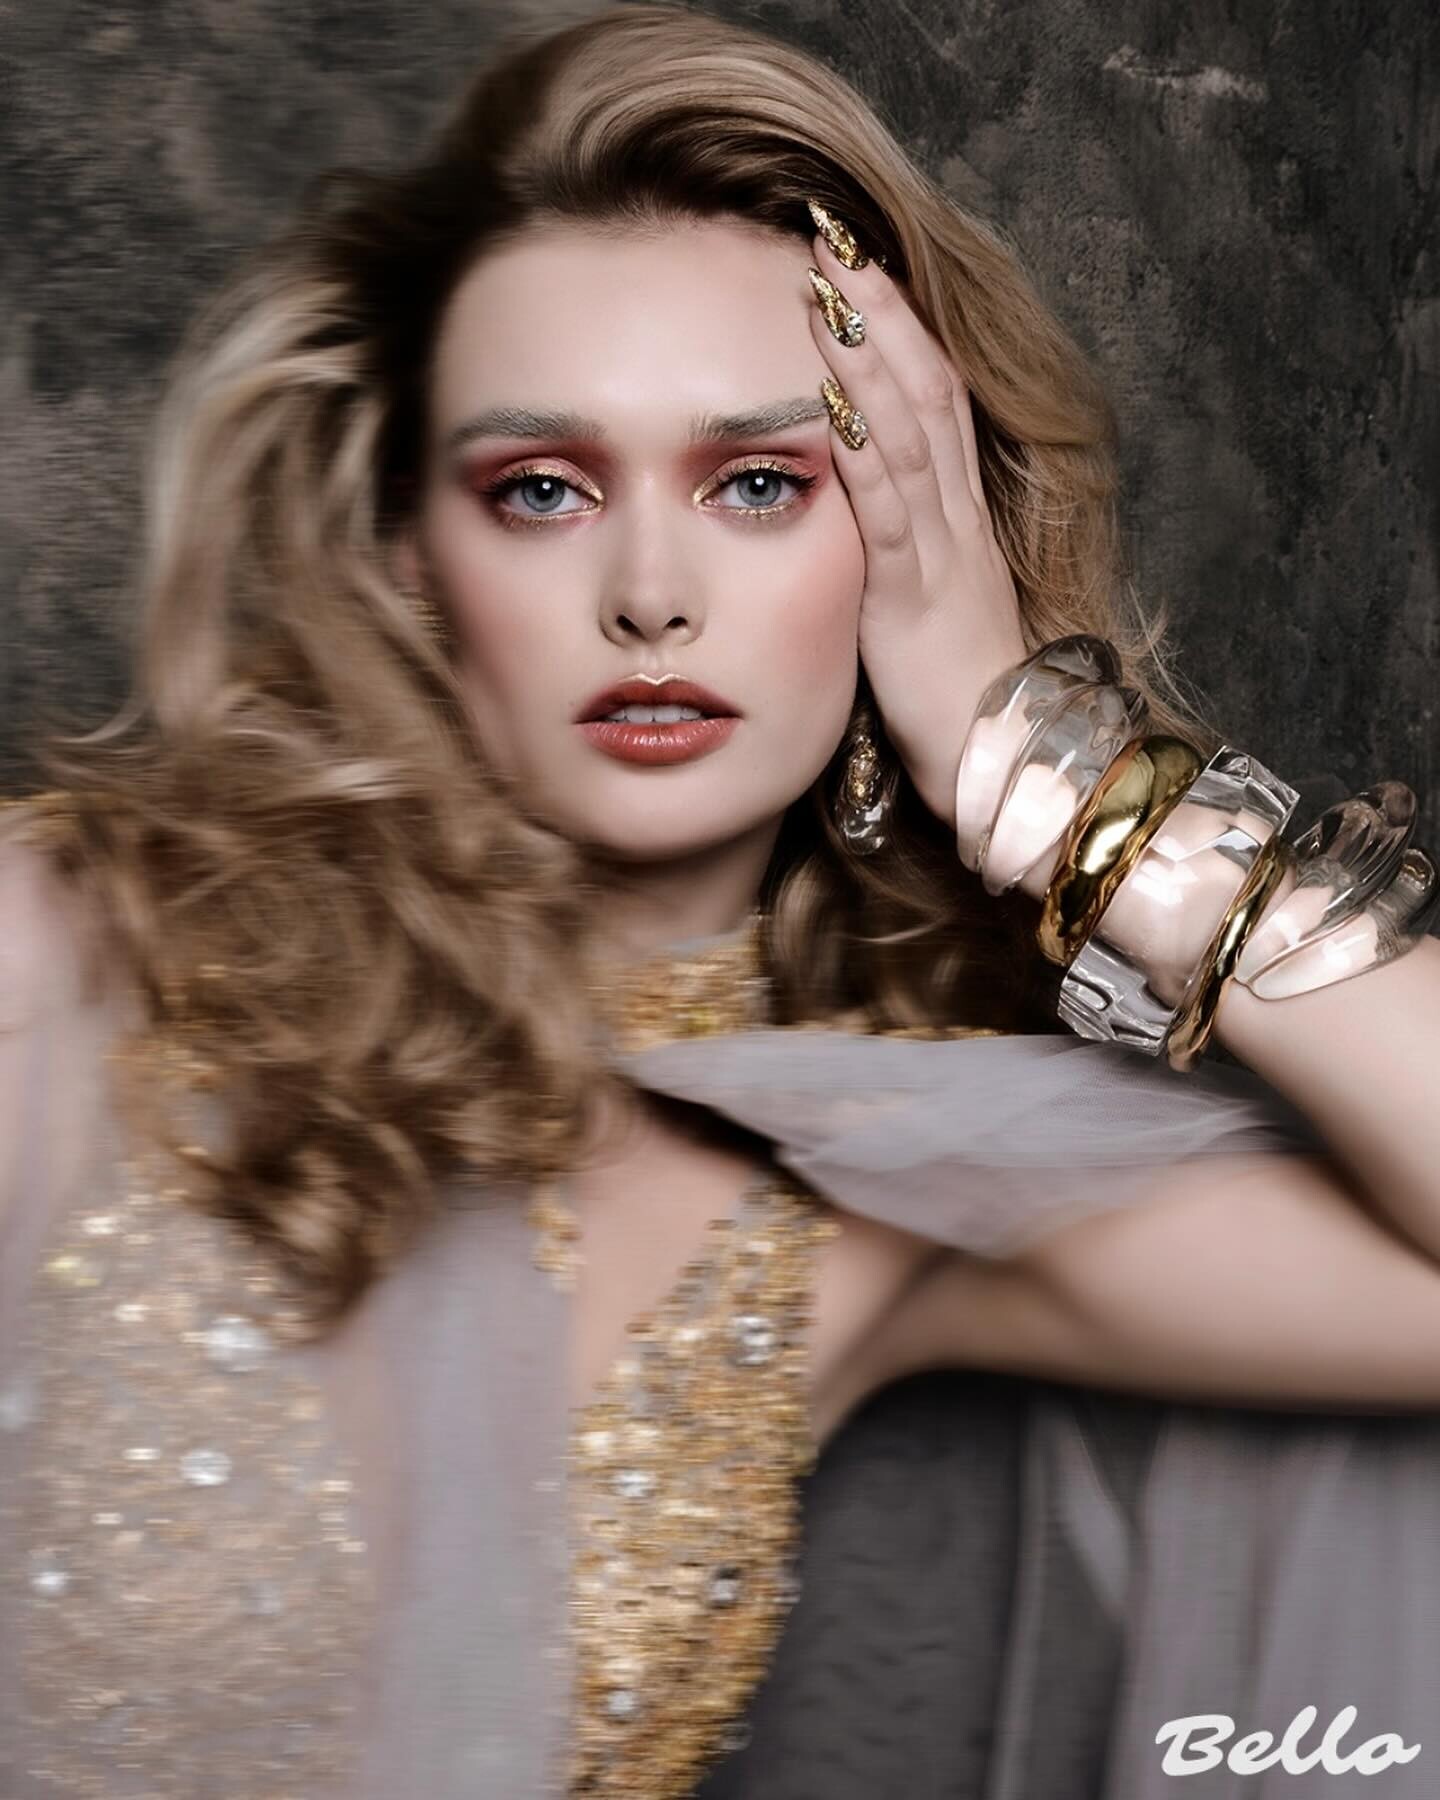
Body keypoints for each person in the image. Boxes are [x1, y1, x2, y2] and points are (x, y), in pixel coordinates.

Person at [1, 4, 1437, 1795]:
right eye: (541, 490)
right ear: (404, 556)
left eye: (761, 482)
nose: (651, 593)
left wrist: (1056, 770)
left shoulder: (877, 1194)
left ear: (917, 534)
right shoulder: (61, 945)